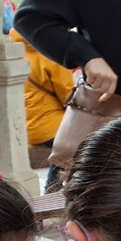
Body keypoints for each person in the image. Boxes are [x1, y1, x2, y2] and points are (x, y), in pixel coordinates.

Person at [12, 28, 76, 175]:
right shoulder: (52, 56)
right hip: (51, 127)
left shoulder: (16, 52)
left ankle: (52, 188)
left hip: (25, 126)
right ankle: (53, 189)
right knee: (82, 145)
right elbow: (68, 97)